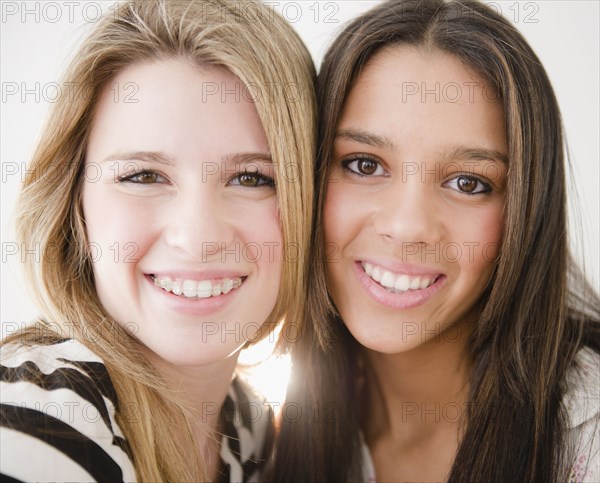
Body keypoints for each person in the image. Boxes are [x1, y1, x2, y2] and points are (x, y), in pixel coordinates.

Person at [273, 0, 599, 481]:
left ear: (526, 212)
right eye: (364, 164)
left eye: (468, 182)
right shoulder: (263, 430)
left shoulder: (585, 439)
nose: (407, 226)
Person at [0, 0, 315, 481]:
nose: (197, 238)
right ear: (73, 205)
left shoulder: (248, 427)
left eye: (252, 178)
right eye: (144, 175)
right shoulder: (40, 422)